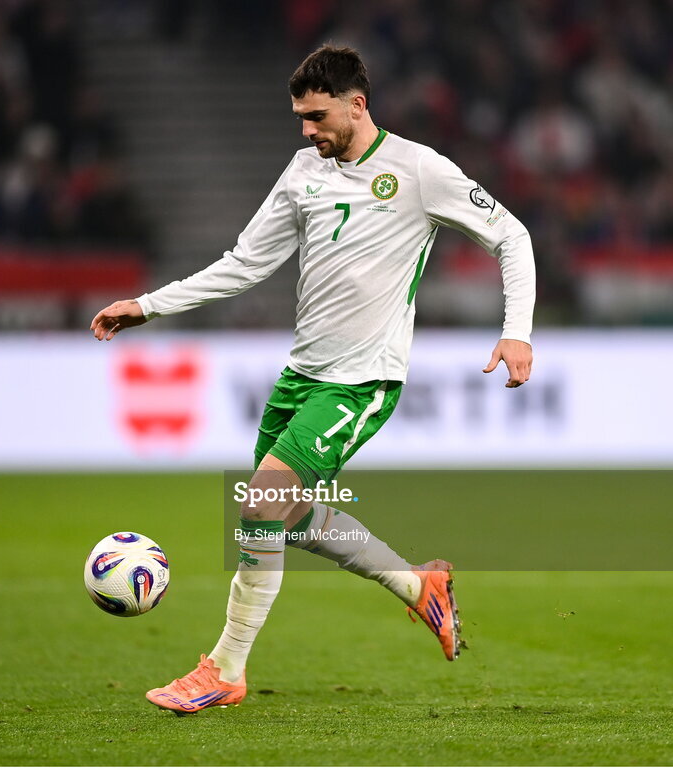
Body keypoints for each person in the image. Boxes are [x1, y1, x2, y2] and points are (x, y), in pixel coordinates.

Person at [91, 44, 535, 712]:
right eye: (300, 117)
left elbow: (512, 236)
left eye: (318, 116)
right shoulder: (304, 171)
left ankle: (225, 670)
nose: (307, 131)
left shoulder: (419, 170)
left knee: (261, 504)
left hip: (361, 381)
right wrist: (150, 304)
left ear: (358, 104)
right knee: (284, 516)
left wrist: (517, 330)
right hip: (301, 375)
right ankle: (422, 590)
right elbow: (245, 262)